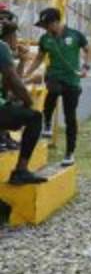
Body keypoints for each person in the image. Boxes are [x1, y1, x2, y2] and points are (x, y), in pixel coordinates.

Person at [24, 7, 89, 165]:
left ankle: (69, 153)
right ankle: (47, 122)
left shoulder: (75, 35)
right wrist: (26, 73)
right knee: (52, 89)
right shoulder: (45, 39)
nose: (45, 28)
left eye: (46, 25)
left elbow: (88, 51)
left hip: (72, 81)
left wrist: (86, 68)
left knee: (70, 118)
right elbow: (39, 58)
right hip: (54, 75)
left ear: (55, 22)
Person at [1, 21, 48, 185]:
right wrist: (28, 103)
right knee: (34, 117)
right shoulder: (1, 47)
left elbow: (9, 89)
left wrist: (21, 61)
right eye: (16, 36)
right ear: (10, 36)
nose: (18, 40)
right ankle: (21, 171)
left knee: (10, 110)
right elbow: (14, 82)